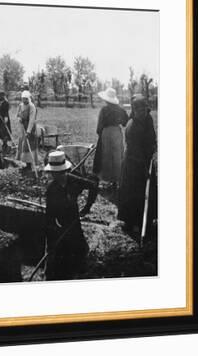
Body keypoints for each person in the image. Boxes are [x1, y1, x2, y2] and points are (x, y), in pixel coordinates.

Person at [43, 151, 89, 281]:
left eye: (58, 172)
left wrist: (87, 207)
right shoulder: (51, 190)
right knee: (58, 264)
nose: (55, 175)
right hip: (61, 227)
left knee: (79, 256)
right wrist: (55, 230)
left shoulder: (74, 181)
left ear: (64, 170)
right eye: (53, 172)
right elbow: (49, 217)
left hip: (74, 225)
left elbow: (94, 185)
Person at [118, 95, 157, 236]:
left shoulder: (148, 119)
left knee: (149, 191)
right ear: (134, 111)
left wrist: (153, 147)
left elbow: (152, 136)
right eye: (139, 111)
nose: (143, 113)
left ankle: (149, 219)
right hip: (134, 164)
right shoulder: (132, 127)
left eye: (144, 110)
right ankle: (133, 222)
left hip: (147, 160)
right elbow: (135, 151)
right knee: (134, 193)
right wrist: (144, 168)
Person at [92, 87, 129, 188]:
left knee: (106, 156)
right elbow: (126, 122)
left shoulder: (104, 110)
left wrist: (100, 133)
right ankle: (116, 180)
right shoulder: (121, 110)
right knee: (117, 156)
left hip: (107, 132)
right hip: (117, 132)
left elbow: (100, 126)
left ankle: (108, 179)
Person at [16, 90, 39, 170]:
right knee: (22, 143)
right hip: (23, 127)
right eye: (23, 98)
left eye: (26, 99)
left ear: (28, 99)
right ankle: (24, 162)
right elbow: (18, 115)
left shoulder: (32, 106)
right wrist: (19, 119)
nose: (24, 100)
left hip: (30, 128)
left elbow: (32, 119)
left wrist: (28, 131)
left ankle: (29, 163)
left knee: (28, 145)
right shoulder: (20, 105)